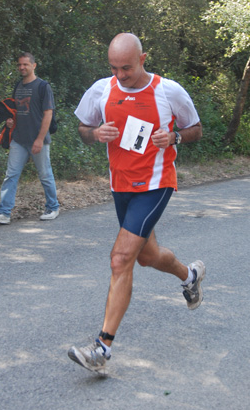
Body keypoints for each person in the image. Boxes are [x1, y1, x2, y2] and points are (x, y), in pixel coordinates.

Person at [68, 33, 205, 375]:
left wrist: (173, 136)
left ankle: (102, 348)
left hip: (156, 184)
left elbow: (196, 130)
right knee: (146, 256)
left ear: (143, 59)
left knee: (120, 259)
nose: (120, 75)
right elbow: (83, 128)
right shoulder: (102, 89)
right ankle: (189, 276)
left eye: (126, 68)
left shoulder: (168, 91)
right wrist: (95, 134)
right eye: (114, 68)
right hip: (121, 186)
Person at [0, 52, 59, 224]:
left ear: (33, 66)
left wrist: (40, 139)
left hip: (38, 139)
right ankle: (4, 213)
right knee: (11, 175)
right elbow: (15, 111)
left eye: (25, 64)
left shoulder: (43, 86)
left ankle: (53, 207)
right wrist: (10, 122)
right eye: (19, 65)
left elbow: (48, 114)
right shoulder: (18, 86)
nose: (22, 67)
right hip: (19, 139)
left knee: (45, 175)